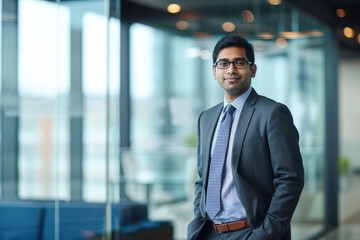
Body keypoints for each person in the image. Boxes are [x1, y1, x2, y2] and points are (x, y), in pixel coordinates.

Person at [187, 34, 304, 240]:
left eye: (239, 62)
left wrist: (264, 234)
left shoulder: (273, 114)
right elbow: (202, 179)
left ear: (253, 69)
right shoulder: (206, 118)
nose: (231, 69)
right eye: (223, 64)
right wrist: (199, 216)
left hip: (251, 232)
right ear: (214, 72)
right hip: (208, 232)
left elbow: (290, 180)